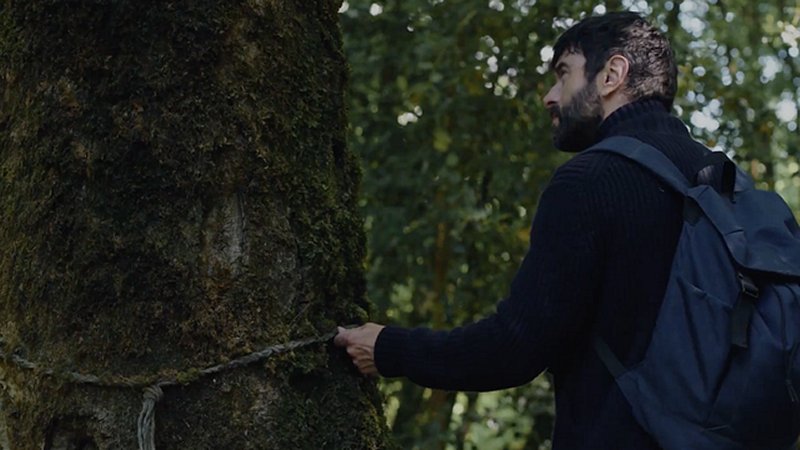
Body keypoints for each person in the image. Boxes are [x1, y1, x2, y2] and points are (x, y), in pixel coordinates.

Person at [335, 11, 700, 449]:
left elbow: (513, 348)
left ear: (612, 75)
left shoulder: (591, 180)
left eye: (563, 74)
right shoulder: (723, 180)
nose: (550, 96)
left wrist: (387, 349)